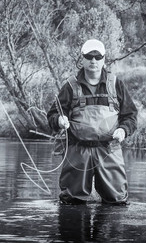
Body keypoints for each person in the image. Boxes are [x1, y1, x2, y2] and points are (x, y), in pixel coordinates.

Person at [47, 39, 138, 205]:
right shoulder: (69, 86)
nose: (93, 61)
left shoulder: (116, 83)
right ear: (82, 58)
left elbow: (130, 115)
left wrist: (124, 130)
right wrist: (59, 120)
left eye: (97, 56)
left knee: (117, 202)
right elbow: (53, 115)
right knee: (72, 202)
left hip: (109, 149)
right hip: (77, 149)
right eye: (89, 56)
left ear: (104, 59)